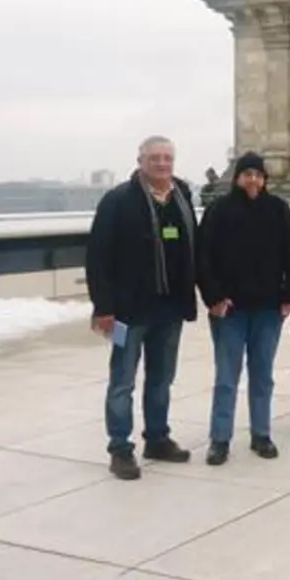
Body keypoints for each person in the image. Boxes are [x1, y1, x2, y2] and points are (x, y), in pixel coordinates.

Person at [86, 136, 199, 480]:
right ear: (140, 161)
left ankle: (158, 438)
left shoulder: (181, 198)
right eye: (155, 158)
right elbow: (97, 257)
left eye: (167, 158)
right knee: (122, 380)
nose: (162, 164)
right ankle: (120, 447)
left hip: (169, 309)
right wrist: (103, 307)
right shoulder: (118, 201)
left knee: (162, 378)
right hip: (127, 312)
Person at [195, 151, 290, 466]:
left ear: (264, 179)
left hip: (268, 309)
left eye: (258, 174)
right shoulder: (218, 211)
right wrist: (213, 298)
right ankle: (220, 438)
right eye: (247, 174)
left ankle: (261, 433)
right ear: (238, 178)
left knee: (262, 375)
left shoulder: (278, 210)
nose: (252, 180)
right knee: (227, 376)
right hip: (231, 310)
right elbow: (203, 258)